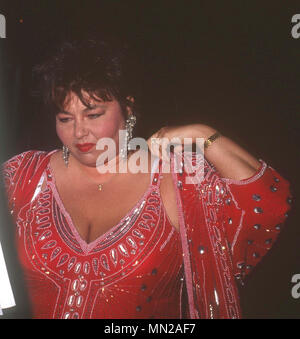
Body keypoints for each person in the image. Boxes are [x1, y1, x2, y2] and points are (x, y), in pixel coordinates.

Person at [1, 36, 293, 319]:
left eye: (93, 115)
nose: (79, 132)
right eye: (65, 119)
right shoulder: (23, 176)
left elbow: (266, 203)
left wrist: (202, 134)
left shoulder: (175, 180)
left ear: (127, 109)